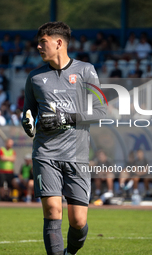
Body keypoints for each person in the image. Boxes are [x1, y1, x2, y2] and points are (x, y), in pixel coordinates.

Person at [21, 22, 106, 255]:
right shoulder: (35, 78)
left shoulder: (86, 71)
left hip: (77, 155)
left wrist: (65, 119)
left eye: (43, 42)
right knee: (52, 211)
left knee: (78, 221)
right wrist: (27, 122)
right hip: (45, 153)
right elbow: (29, 112)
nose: (38, 46)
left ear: (59, 43)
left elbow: (101, 111)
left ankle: (70, 252)